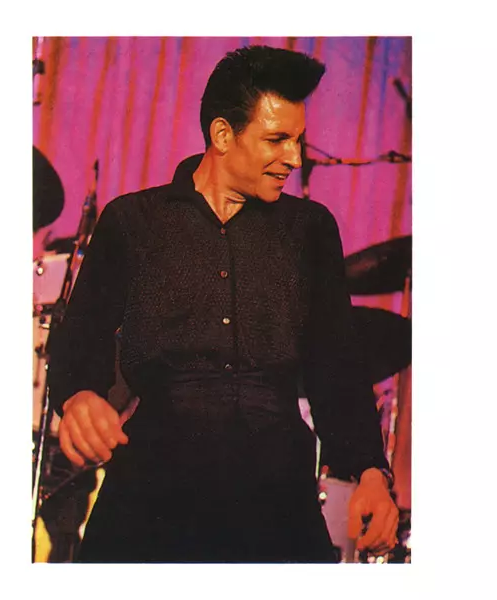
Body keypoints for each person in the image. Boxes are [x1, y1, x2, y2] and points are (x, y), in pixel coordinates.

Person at [47, 45, 399, 563]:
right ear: (222, 134)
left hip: (278, 502)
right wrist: (79, 396)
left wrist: (371, 470)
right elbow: (78, 338)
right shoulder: (132, 222)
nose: (295, 158)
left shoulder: (310, 231)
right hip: (150, 496)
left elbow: (337, 368)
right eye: (277, 140)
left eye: (298, 140)